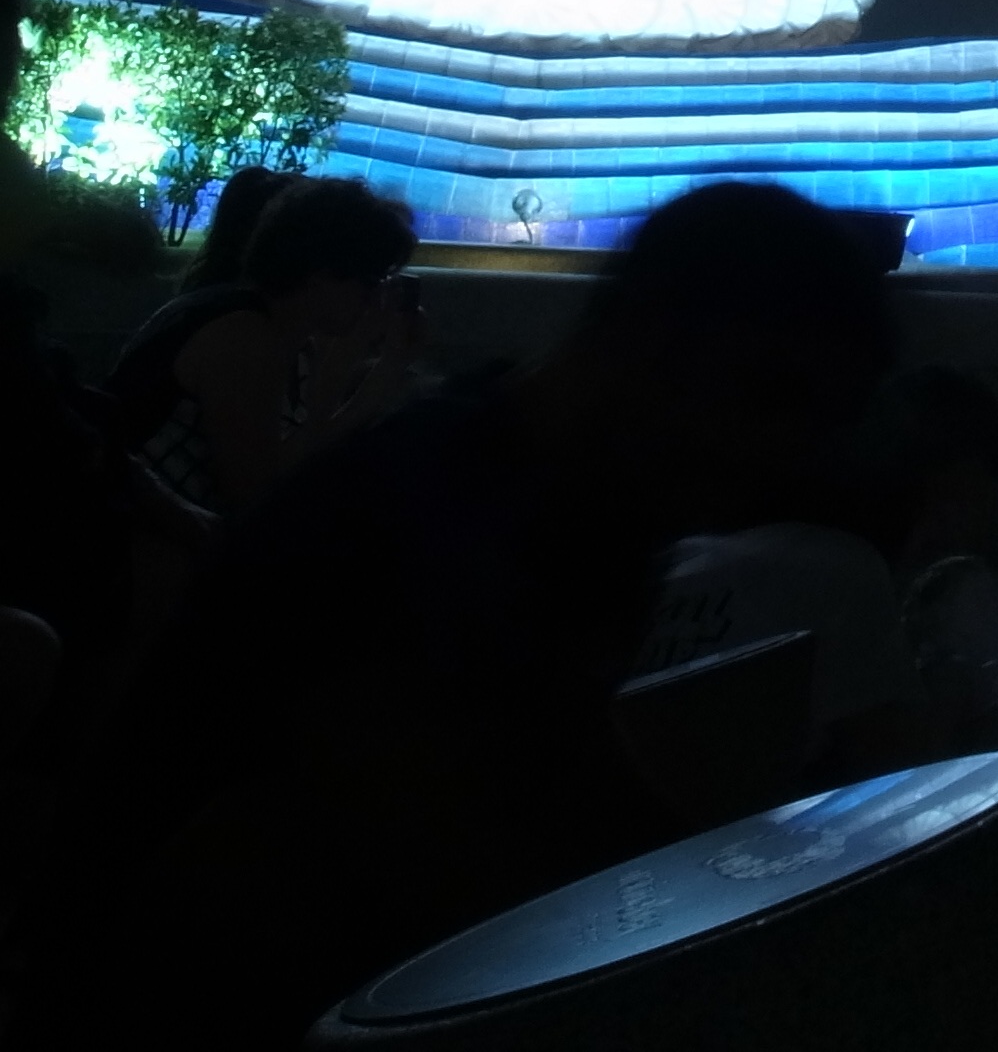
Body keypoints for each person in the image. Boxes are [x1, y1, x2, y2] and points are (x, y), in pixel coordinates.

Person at [25, 180, 901, 1049]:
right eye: (771, 402)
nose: (763, 465)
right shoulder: (430, 524)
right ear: (662, 348)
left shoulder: (550, 512)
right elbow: (448, 849)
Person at [100, 175, 419, 512]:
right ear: (321, 275)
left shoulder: (275, 328)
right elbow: (257, 498)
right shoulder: (240, 335)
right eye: (370, 283)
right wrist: (353, 372)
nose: (377, 299)